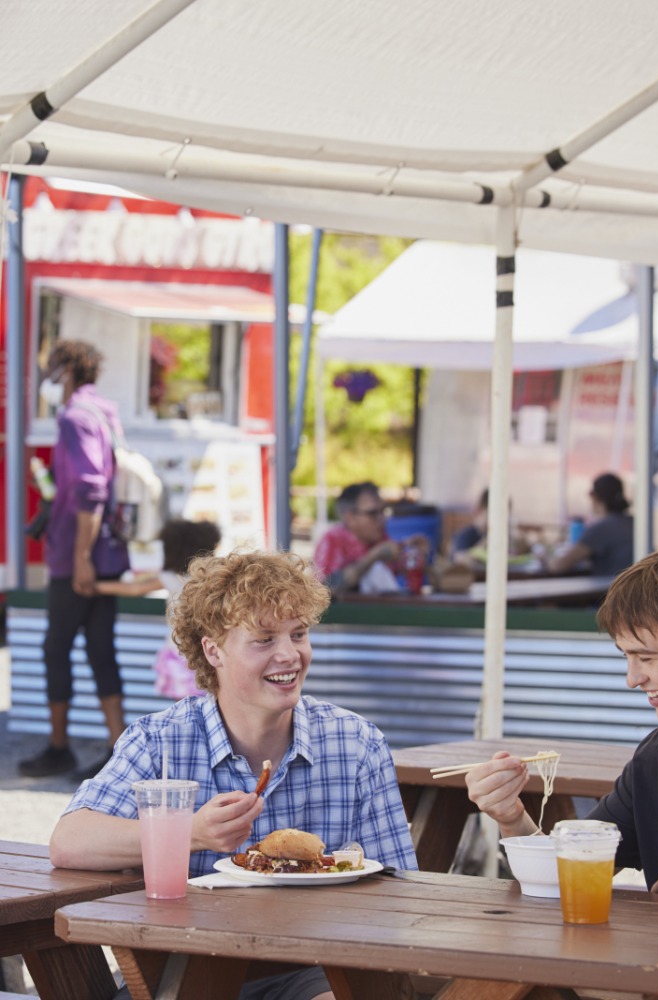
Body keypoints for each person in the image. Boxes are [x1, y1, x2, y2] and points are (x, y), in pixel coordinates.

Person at [50, 549, 417, 1000]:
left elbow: (401, 890)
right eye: (263, 639)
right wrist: (193, 832)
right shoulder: (161, 740)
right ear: (213, 650)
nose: (289, 655)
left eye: (298, 634)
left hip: (315, 969)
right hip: (185, 967)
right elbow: (70, 841)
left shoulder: (356, 742)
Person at [466, 539, 658, 907]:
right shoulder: (655, 758)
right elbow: (566, 871)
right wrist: (511, 817)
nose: (632, 679)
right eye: (626, 657)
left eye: (646, 657)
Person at [19, 340, 129, 781]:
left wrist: (81, 556)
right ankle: (118, 749)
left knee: (56, 647)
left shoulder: (74, 417)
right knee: (101, 647)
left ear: (65, 370)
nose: (46, 377)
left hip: (79, 554)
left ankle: (59, 746)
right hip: (109, 550)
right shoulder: (104, 411)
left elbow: (89, 489)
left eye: (50, 368)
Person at [94, 518, 222, 698]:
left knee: (184, 709)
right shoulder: (210, 578)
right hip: (210, 652)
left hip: (180, 650)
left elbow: (134, 588)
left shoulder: (172, 578)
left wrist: (95, 587)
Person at [313, 481, 424, 595]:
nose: (382, 519)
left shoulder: (379, 539)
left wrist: (416, 554)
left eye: (383, 512)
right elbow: (322, 590)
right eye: (373, 513)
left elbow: (410, 577)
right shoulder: (332, 540)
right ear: (350, 517)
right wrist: (373, 557)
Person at [545, 472, 633, 576]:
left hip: (610, 590)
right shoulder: (634, 523)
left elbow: (560, 566)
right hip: (637, 588)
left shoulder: (601, 529)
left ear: (596, 497)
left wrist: (545, 559)